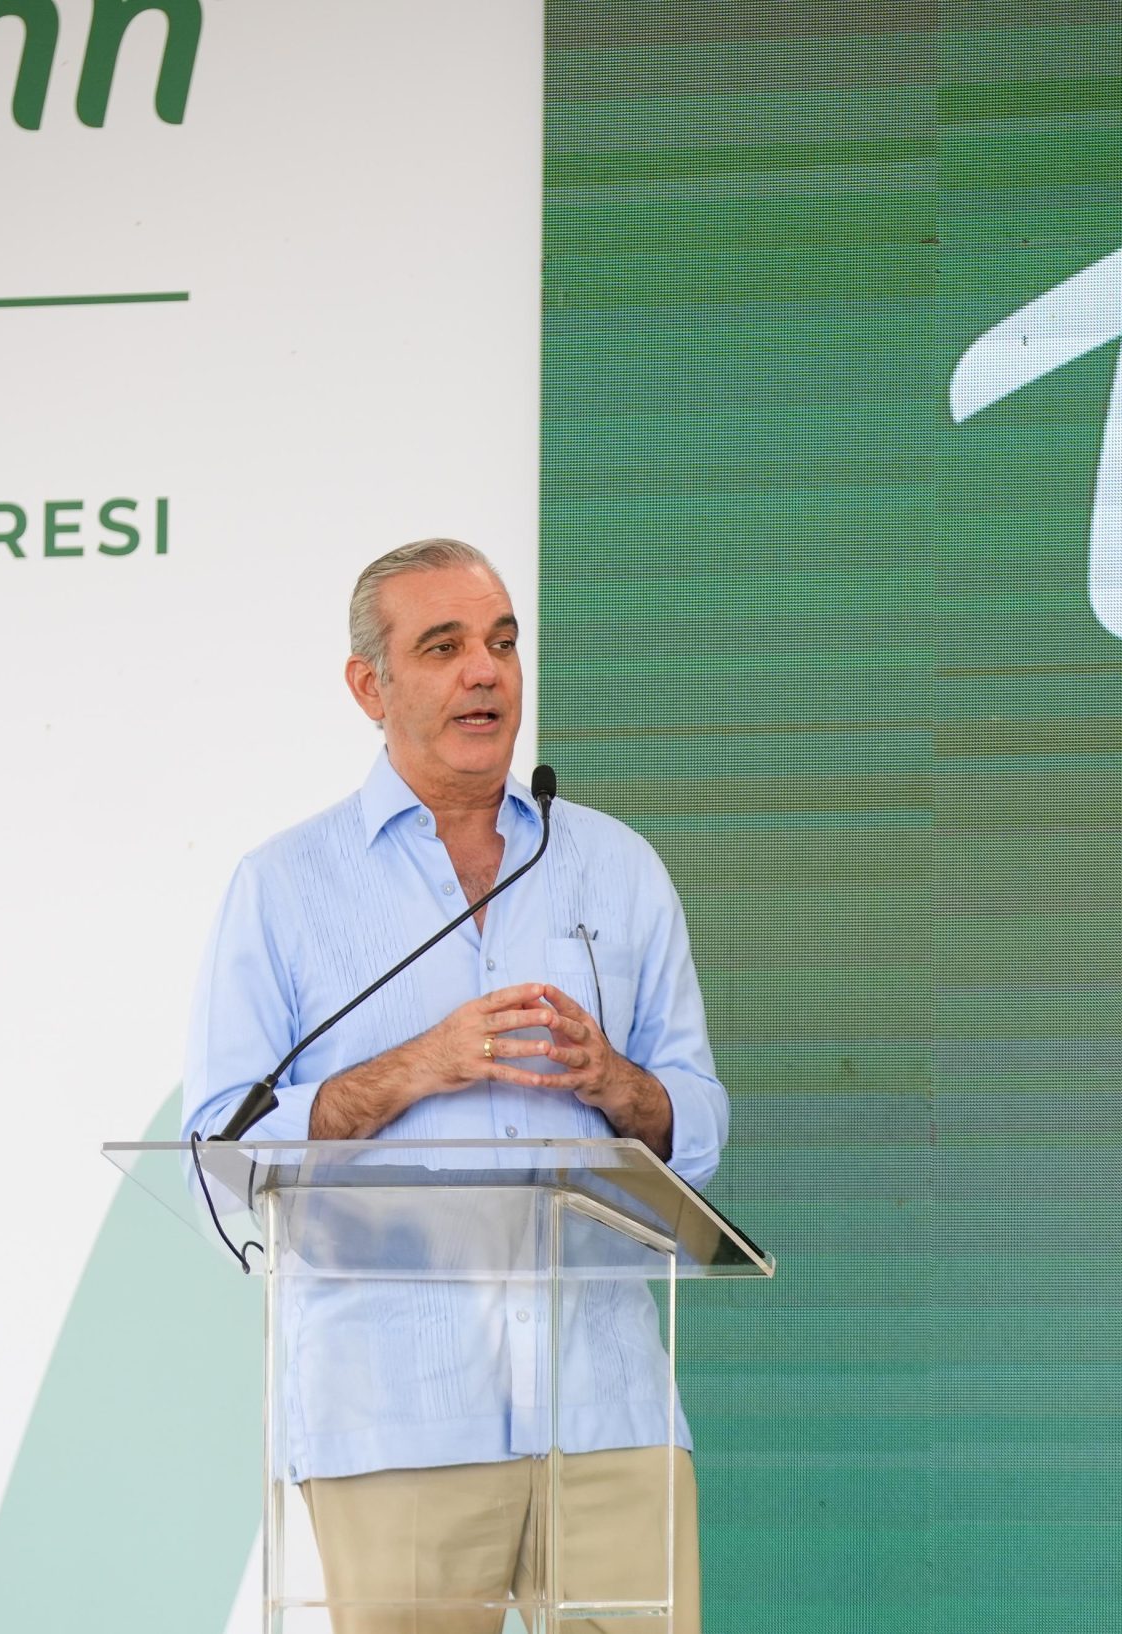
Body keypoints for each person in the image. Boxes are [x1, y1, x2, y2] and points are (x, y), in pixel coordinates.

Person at [182, 538, 730, 1632]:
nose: (485, 670)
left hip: (606, 1408)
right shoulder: (284, 887)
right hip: (395, 1415)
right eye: (443, 646)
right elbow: (218, 1155)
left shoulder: (615, 867)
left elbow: (700, 1120)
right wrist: (412, 1068)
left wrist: (617, 1084)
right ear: (367, 685)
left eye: (502, 641)